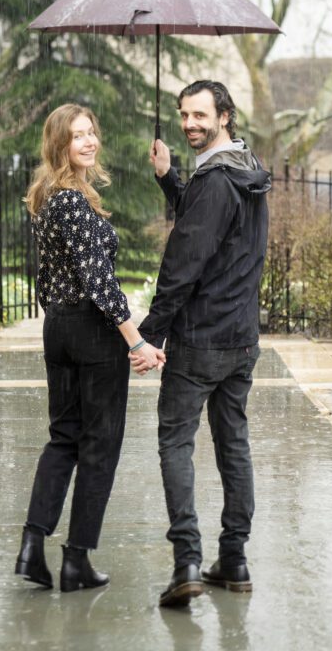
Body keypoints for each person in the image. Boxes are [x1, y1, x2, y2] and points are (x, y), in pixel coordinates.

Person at [132, 80, 271, 608]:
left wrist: (151, 335)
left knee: (175, 443)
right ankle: (232, 560)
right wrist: (170, 179)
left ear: (225, 117)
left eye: (199, 115)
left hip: (200, 341)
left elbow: (184, 263)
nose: (189, 124)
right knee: (233, 443)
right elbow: (209, 223)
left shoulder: (216, 181)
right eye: (183, 115)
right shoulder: (244, 167)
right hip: (241, 339)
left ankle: (187, 560)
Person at [15, 103, 164, 593]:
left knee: (63, 438)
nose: (89, 141)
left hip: (57, 328)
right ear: (59, 145)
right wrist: (136, 339)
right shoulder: (74, 202)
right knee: (99, 445)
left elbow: (48, 275)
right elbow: (99, 281)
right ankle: (76, 560)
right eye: (77, 136)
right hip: (90, 330)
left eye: (91, 132)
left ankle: (33, 544)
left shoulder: (47, 197)